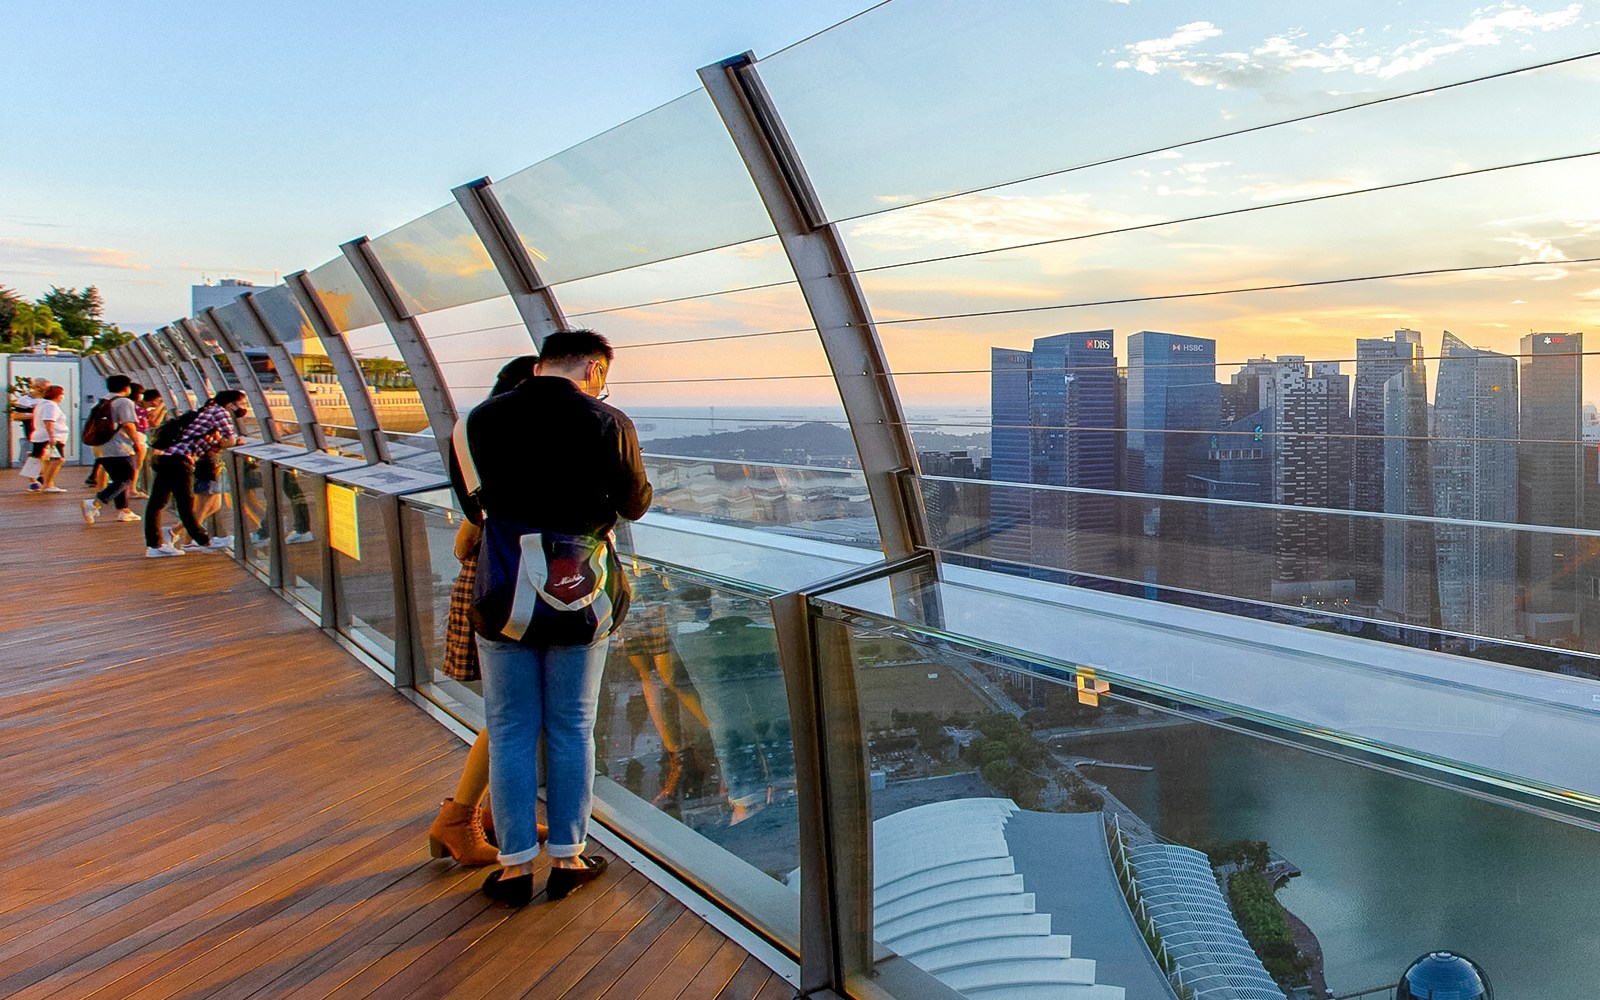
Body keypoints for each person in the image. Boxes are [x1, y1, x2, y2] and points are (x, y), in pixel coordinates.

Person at [460, 331, 650, 906]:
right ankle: (568, 856)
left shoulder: (479, 420)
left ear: (541, 364)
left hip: (507, 591)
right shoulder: (608, 421)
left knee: (512, 727)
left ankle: (514, 866)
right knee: (572, 727)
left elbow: (474, 506)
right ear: (593, 369)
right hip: (579, 592)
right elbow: (635, 500)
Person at [428, 355, 539, 868]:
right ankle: (460, 816)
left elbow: (465, 538)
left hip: (494, 587)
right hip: (508, 592)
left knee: (517, 711)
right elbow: (471, 532)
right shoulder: (506, 456)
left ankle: (499, 812)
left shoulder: (477, 441)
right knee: (512, 712)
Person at [143, 389, 245, 558]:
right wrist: (237, 442)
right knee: (185, 502)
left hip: (167, 457)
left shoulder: (206, 410)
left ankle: (154, 545)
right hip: (180, 461)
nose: (242, 407)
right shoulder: (220, 412)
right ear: (230, 404)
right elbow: (231, 439)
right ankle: (204, 540)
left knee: (157, 502)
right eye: (240, 403)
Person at [81, 375, 146, 524]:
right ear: (126, 387)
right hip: (118, 446)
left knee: (118, 478)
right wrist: (136, 442)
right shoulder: (124, 402)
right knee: (127, 477)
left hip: (101, 446)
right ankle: (95, 503)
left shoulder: (103, 401)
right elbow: (128, 424)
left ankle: (124, 511)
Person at [27, 385, 70, 493]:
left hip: (40, 436)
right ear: (57, 395)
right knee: (57, 460)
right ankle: (48, 484)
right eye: (62, 394)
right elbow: (49, 420)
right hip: (50, 436)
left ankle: (45, 483)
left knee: (46, 460)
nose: (63, 396)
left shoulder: (41, 404)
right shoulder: (51, 406)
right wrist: (52, 436)